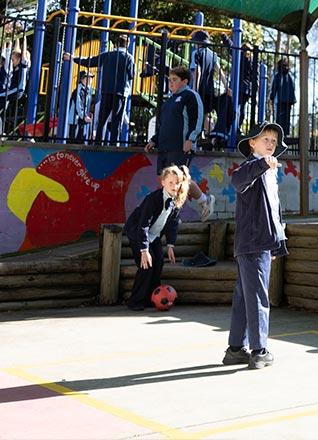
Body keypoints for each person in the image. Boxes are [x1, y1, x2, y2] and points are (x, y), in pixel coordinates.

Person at [222, 121, 289, 370]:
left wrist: (275, 245)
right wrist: (262, 164)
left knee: (243, 296)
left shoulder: (269, 172)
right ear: (252, 144)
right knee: (259, 297)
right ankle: (259, 350)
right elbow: (237, 180)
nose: (270, 144)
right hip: (252, 243)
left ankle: (235, 349)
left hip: (259, 243)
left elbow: (273, 212)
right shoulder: (252, 166)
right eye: (265, 140)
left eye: (273, 141)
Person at [145, 66, 217, 221]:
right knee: (174, 180)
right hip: (165, 147)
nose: (171, 83)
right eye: (169, 80)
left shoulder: (190, 96)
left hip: (181, 146)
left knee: (177, 180)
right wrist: (154, 140)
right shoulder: (168, 102)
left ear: (185, 81)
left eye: (175, 80)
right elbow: (162, 124)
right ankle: (204, 200)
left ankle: (173, 215)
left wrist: (190, 139)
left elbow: (197, 120)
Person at [123, 165, 191, 310]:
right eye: (171, 182)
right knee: (146, 265)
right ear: (163, 183)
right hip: (138, 233)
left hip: (154, 235)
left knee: (158, 261)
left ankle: (151, 298)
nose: (174, 186)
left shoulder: (176, 201)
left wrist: (170, 245)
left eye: (177, 183)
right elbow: (143, 225)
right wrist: (144, 250)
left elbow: (172, 224)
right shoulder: (153, 199)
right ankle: (135, 301)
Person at [64, 34, 135, 146]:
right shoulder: (129, 57)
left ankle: (98, 143)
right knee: (117, 120)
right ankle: (113, 145)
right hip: (121, 92)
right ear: (128, 45)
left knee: (102, 119)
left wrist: (74, 58)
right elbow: (131, 75)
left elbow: (90, 61)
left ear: (115, 44)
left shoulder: (107, 55)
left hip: (106, 91)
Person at [189, 30, 228, 133]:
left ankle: (212, 135)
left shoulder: (196, 53)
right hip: (210, 90)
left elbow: (198, 72)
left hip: (200, 89)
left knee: (198, 115)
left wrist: (195, 90)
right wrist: (226, 86)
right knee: (205, 114)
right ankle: (214, 134)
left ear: (198, 43)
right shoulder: (213, 55)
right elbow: (220, 71)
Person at [269, 58, 296, 138]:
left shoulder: (277, 75)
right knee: (287, 117)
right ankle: (286, 133)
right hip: (289, 100)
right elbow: (293, 88)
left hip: (280, 99)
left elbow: (274, 87)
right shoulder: (290, 76)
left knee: (279, 117)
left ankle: (279, 132)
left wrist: (271, 98)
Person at [68, 70, 94, 143]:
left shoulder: (89, 91)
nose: (90, 80)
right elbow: (78, 105)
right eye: (87, 78)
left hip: (82, 119)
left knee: (82, 139)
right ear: (81, 79)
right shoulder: (79, 90)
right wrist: (83, 116)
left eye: (90, 78)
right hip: (76, 120)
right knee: (74, 140)